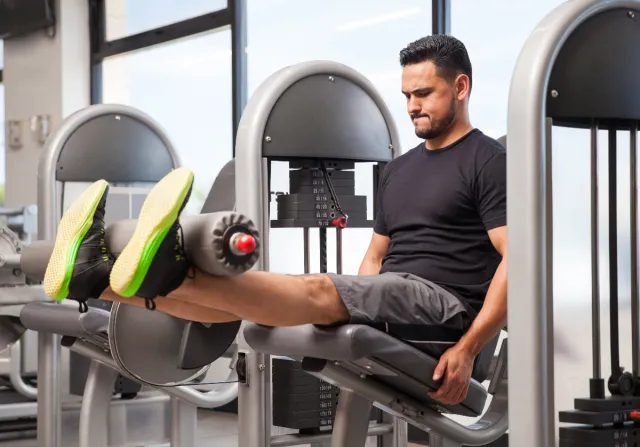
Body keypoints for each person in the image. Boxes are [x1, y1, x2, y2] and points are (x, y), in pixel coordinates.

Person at [42, 34, 507, 407]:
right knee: (251, 304)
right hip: (395, 299)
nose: (411, 106)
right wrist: (366, 310)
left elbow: (516, 262)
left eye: (424, 93)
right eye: (406, 95)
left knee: (314, 289)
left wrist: (468, 348)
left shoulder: (489, 161)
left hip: (445, 311)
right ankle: (97, 281)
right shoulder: (401, 169)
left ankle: (161, 264)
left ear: (461, 87)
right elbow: (376, 256)